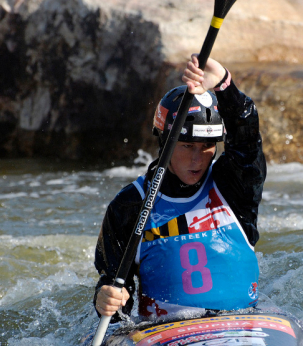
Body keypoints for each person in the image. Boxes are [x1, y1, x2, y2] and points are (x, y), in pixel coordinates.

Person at [93, 54, 266, 321]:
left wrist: (223, 85)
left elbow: (247, 139)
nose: (197, 159)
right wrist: (106, 298)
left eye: (206, 146)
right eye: (187, 146)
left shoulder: (232, 186)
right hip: (166, 334)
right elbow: (116, 287)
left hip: (243, 320)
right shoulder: (129, 206)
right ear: (165, 141)